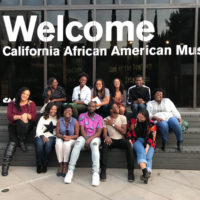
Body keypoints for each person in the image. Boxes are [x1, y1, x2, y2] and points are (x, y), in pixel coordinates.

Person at [64, 101, 103, 186]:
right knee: (77, 144)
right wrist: (87, 139)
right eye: (89, 106)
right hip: (84, 136)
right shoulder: (82, 116)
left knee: (95, 147)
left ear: (95, 108)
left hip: (95, 138)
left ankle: (95, 173)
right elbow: (81, 130)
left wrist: (89, 140)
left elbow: (99, 132)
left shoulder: (99, 118)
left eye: (93, 107)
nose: (91, 108)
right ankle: (70, 171)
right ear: (87, 107)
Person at [1, 87, 37, 176]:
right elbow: (9, 117)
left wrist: (26, 115)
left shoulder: (31, 104)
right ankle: (5, 166)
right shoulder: (12, 103)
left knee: (24, 120)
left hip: (26, 127)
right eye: (24, 93)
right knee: (13, 142)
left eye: (27, 94)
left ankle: (20, 139)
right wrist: (20, 116)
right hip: (14, 126)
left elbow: (34, 117)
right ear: (20, 93)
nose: (25, 96)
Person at [100, 103, 134, 182]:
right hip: (111, 140)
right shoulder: (105, 119)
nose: (118, 107)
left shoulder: (123, 117)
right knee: (104, 146)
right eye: (115, 106)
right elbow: (104, 133)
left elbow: (124, 132)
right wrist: (106, 137)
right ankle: (103, 171)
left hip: (121, 139)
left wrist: (113, 124)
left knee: (129, 145)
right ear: (111, 110)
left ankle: (130, 172)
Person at [126, 109, 156, 184]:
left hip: (149, 142)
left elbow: (152, 137)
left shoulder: (152, 124)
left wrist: (147, 147)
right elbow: (129, 132)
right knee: (141, 152)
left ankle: (146, 174)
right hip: (137, 140)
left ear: (146, 118)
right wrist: (130, 141)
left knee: (148, 156)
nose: (139, 119)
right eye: (138, 116)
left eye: (142, 118)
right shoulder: (133, 121)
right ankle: (145, 172)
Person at [34, 103, 59, 173]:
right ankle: (39, 165)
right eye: (52, 109)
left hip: (52, 137)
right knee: (39, 146)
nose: (53, 111)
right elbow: (38, 129)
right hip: (40, 135)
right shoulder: (43, 118)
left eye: (55, 109)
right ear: (48, 109)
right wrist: (43, 137)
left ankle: (45, 165)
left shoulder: (58, 119)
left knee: (48, 146)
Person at [55, 105, 79, 177]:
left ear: (72, 113)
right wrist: (62, 136)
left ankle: (65, 166)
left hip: (71, 139)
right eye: (66, 110)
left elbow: (76, 135)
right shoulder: (60, 120)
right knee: (58, 144)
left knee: (66, 144)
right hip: (61, 137)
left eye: (69, 111)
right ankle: (61, 165)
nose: (67, 112)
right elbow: (57, 133)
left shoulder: (75, 121)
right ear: (63, 112)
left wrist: (69, 137)